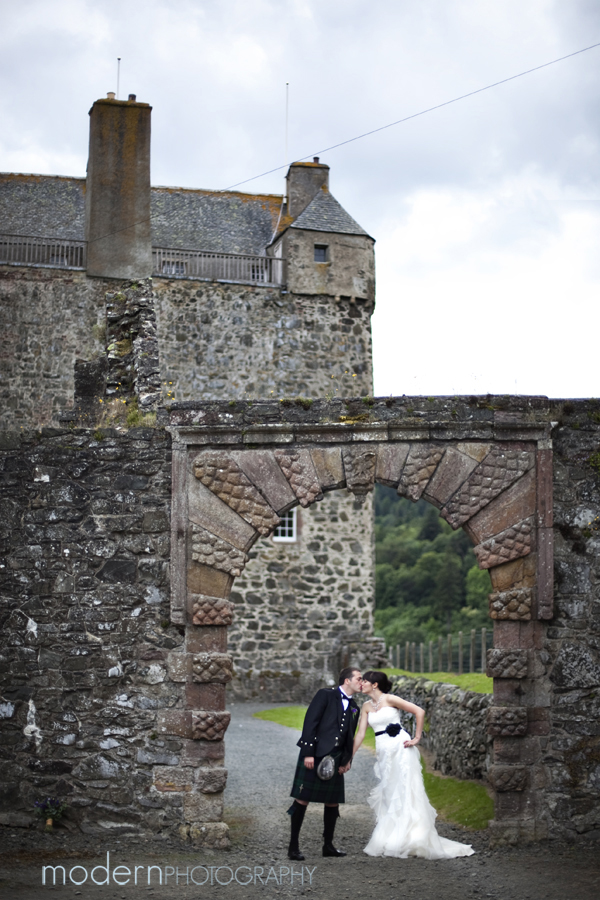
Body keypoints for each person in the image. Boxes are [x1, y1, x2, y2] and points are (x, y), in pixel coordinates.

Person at [352, 670, 474, 859]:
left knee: (406, 788)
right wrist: (350, 755)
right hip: (384, 750)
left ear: (374, 684)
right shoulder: (366, 706)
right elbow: (360, 734)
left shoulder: (390, 699)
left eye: (365, 681)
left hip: (401, 747)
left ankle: (412, 835)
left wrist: (417, 737)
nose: (362, 684)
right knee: (389, 790)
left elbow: (419, 711)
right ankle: (392, 835)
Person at [287, 666, 363, 860]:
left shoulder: (355, 707)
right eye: (359, 679)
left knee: (332, 801)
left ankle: (328, 846)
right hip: (317, 753)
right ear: (347, 680)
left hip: (337, 757)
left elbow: (349, 737)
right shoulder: (325, 695)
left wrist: (347, 760)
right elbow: (310, 722)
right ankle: (293, 847)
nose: (362, 682)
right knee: (303, 798)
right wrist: (308, 753)